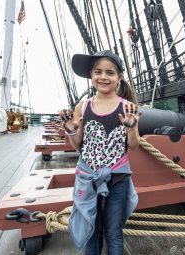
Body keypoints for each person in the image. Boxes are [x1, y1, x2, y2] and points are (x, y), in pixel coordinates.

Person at [59, 50, 140, 255]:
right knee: (92, 230)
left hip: (118, 177)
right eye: (98, 72)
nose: (103, 77)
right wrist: (71, 130)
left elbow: (134, 145)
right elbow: (79, 146)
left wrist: (131, 128)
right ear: (91, 75)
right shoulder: (83, 106)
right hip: (88, 176)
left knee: (113, 231)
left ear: (119, 77)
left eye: (110, 73)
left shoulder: (127, 107)